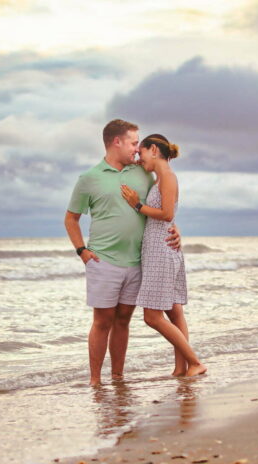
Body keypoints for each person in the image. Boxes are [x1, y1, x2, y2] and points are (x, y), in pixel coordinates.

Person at [64, 119, 181, 386]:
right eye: (132, 142)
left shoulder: (143, 173)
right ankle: (95, 380)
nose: (137, 148)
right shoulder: (89, 179)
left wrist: (176, 228)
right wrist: (82, 250)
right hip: (103, 260)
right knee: (102, 321)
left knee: (124, 320)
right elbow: (71, 219)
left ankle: (117, 377)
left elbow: (163, 205)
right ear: (116, 142)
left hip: (138, 260)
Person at [120, 134, 207, 377]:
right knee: (174, 312)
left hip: (160, 251)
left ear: (154, 150)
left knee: (151, 317)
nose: (139, 157)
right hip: (161, 248)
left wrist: (137, 205)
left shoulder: (168, 177)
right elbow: (169, 215)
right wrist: (137, 163)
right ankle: (181, 368)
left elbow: (167, 213)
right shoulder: (161, 176)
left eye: (142, 152)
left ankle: (195, 362)